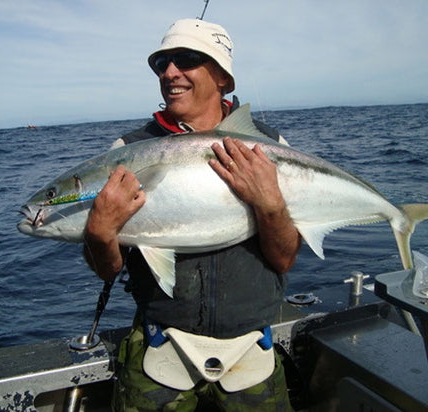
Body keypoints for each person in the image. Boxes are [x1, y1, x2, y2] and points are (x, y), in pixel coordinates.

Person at [83, 18, 301, 411]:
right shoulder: (129, 150)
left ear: (223, 78)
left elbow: (285, 258)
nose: (169, 72)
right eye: (161, 63)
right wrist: (99, 234)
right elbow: (107, 271)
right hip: (159, 349)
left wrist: (271, 205)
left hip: (252, 349)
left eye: (186, 59)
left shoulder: (271, 147)